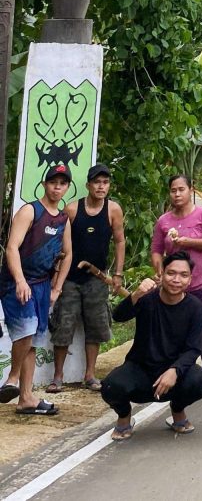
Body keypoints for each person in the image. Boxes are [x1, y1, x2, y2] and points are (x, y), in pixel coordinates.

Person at [101, 252, 202, 439]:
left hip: (174, 373)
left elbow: (193, 349)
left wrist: (175, 371)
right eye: (171, 273)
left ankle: (177, 410)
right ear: (161, 274)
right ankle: (124, 416)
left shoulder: (195, 307)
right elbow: (118, 316)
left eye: (183, 275)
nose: (176, 280)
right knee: (110, 386)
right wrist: (136, 293)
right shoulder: (147, 299)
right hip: (141, 369)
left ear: (190, 279)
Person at [0, 165, 73, 415]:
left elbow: (69, 254)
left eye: (63, 183)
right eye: (54, 182)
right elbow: (11, 248)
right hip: (17, 281)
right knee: (27, 331)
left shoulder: (63, 219)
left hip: (43, 284)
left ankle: (26, 398)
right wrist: (20, 280)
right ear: (45, 184)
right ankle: (12, 378)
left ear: (67, 188)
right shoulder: (30, 210)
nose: (57, 187)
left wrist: (57, 287)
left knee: (33, 342)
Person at [49, 163, 126, 393]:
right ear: (88, 185)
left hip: (98, 278)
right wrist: (56, 277)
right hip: (71, 277)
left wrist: (118, 274)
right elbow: (60, 246)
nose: (101, 186)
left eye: (105, 182)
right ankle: (58, 376)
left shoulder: (113, 210)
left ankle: (90, 374)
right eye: (97, 182)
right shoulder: (72, 210)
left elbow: (120, 241)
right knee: (64, 325)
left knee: (96, 325)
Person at [151, 173, 202, 388]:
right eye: (173, 190)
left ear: (190, 190)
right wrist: (159, 269)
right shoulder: (164, 221)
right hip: (174, 285)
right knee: (176, 327)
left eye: (181, 189)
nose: (177, 194)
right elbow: (157, 250)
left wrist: (189, 242)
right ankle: (179, 370)